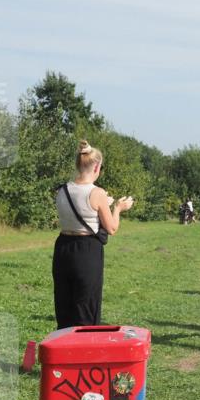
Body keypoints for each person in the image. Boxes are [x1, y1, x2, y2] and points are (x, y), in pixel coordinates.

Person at [53, 140, 134, 329]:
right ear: (96, 166)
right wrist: (118, 208)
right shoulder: (97, 193)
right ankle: (84, 353)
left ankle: (64, 349)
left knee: (64, 304)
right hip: (86, 250)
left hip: (63, 247)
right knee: (86, 305)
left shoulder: (61, 190)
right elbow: (111, 228)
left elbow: (78, 210)